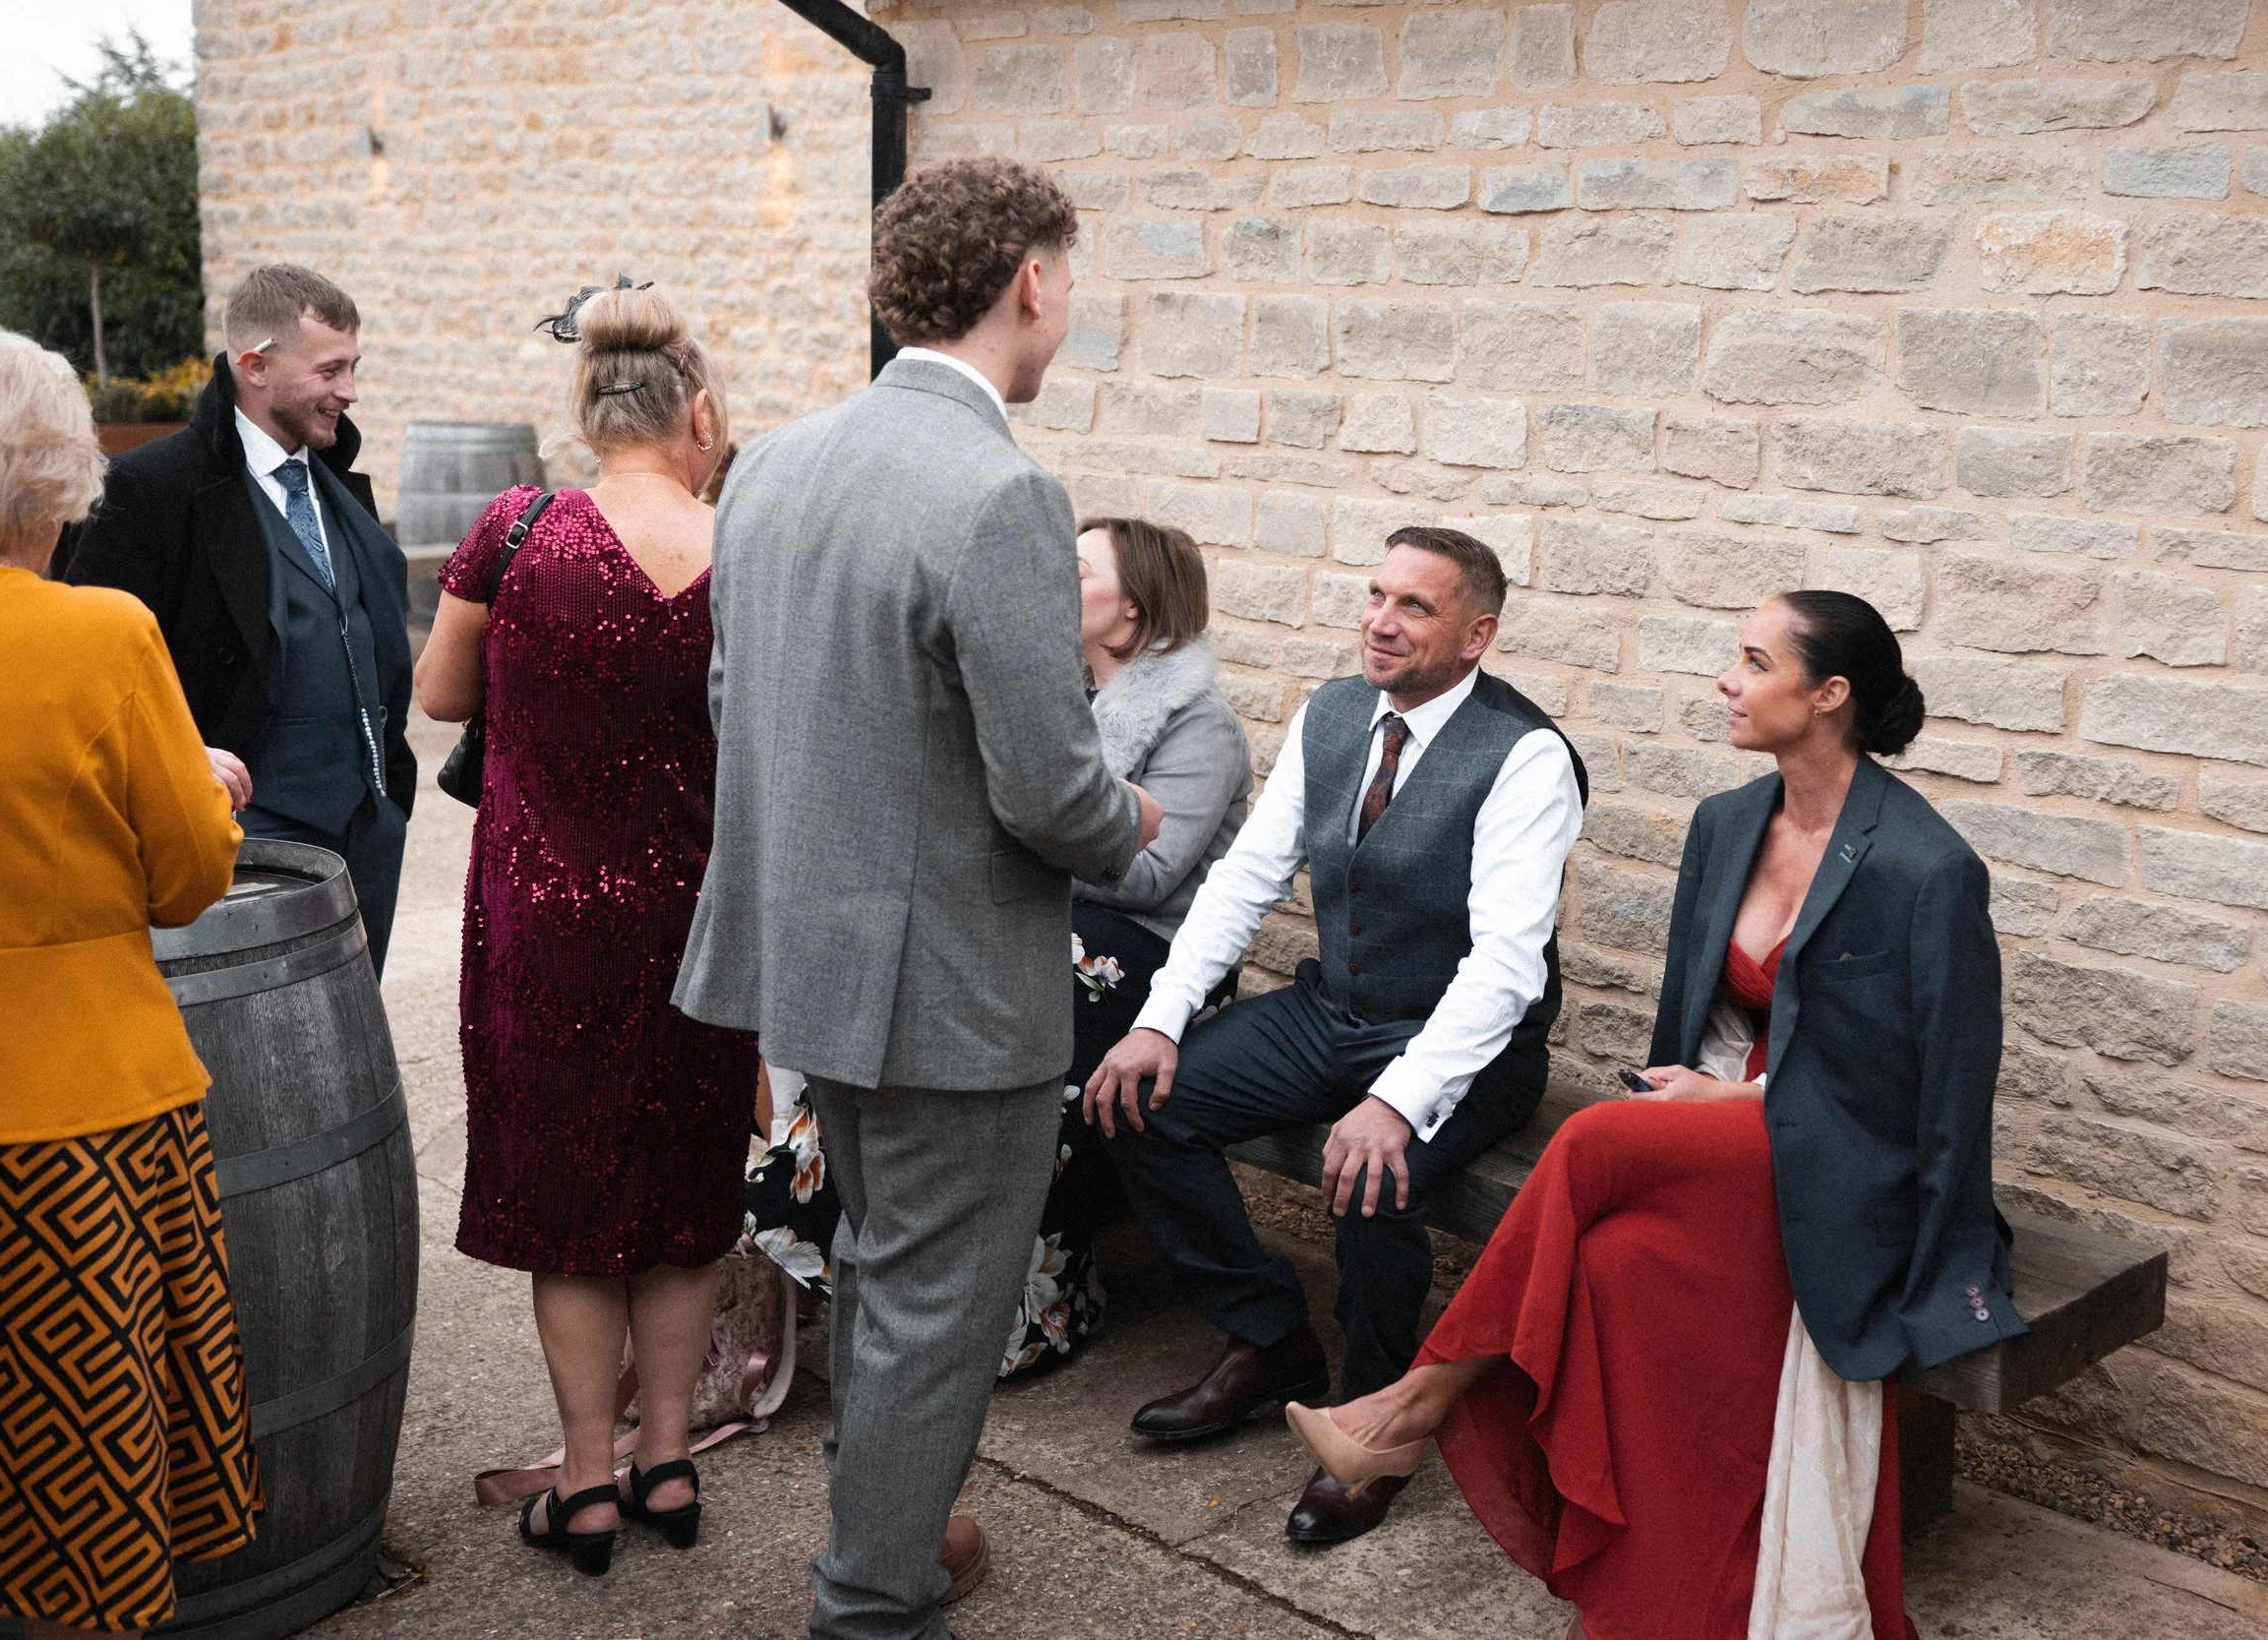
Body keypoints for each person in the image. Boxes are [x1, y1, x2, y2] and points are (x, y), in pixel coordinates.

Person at [1282, 591, 2025, 1639]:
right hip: (1720, 1145)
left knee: (1588, 1137)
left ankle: (1413, 1399)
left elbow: (1940, 1087)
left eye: (1753, 660)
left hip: (1843, 1156)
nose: (1726, 678)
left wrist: (1750, 1102)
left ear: (1828, 694)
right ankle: (1659, 1589)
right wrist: (1704, 1106)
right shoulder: (1727, 823)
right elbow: (1688, 1023)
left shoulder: (1925, 866)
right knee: (1614, 1263)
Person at [673, 156, 1161, 1640]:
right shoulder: (1002, 487)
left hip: (811, 959)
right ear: (1029, 283)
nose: (1068, 303)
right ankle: (872, 1599)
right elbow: (1047, 787)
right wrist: (1128, 815)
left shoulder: (774, 461)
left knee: (887, 1273)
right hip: (947, 981)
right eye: (1067, 277)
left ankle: (890, 1523)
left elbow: (727, 698)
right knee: (940, 1303)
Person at [1086, 525, 1587, 1547]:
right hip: (1334, 1010)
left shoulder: (1526, 756)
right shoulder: (1333, 712)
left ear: (1477, 633)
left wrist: (1397, 1098)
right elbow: (1244, 879)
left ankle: (1373, 1418)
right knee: (1143, 1104)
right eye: (1374, 595)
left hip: (1464, 1040)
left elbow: (1503, 965)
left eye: (1414, 606)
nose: (1379, 620)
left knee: (1369, 1173)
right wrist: (1157, 1019)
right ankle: (1270, 1337)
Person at [413, 283, 757, 1576]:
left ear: (587, 409)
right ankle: (670, 1456)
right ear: (698, 413)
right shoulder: (741, 547)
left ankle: (593, 1481)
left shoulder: (517, 528)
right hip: (699, 925)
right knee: (682, 1195)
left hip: (547, 923)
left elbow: (442, 691)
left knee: (569, 1207)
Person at [742, 515, 1250, 1377]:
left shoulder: (1199, 725)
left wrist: (1021, 841)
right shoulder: (1052, 701)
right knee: (906, 1007)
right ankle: (851, 1242)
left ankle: (1026, 1306)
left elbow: (1151, 872)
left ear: (1132, 612)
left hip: (1155, 961)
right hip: (1054, 932)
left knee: (1024, 1050)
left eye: (1076, 570)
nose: (1049, 580)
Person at [0, 319, 258, 1638]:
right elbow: (192, 875)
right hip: (72, 1129)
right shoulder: (100, 635)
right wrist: (207, 786)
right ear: (50, 469)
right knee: (86, 1505)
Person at [66, 264, 415, 972]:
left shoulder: (336, 484)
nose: (349, 391)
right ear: (255, 366)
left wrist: (387, 799)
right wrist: (181, 765)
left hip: (366, 832)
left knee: (349, 1057)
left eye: (353, 367)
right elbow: (82, 666)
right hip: (238, 841)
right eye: (330, 370)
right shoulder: (154, 488)